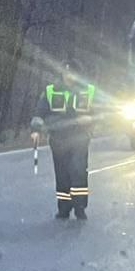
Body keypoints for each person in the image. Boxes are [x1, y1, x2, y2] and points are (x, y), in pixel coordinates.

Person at [30, 58, 96, 221]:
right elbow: (40, 111)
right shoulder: (51, 90)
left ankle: (80, 208)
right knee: (62, 173)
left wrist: (90, 119)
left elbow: (101, 113)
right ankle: (64, 208)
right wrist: (35, 130)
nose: (69, 75)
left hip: (80, 137)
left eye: (72, 72)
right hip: (58, 138)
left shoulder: (88, 91)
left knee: (78, 171)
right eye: (66, 72)